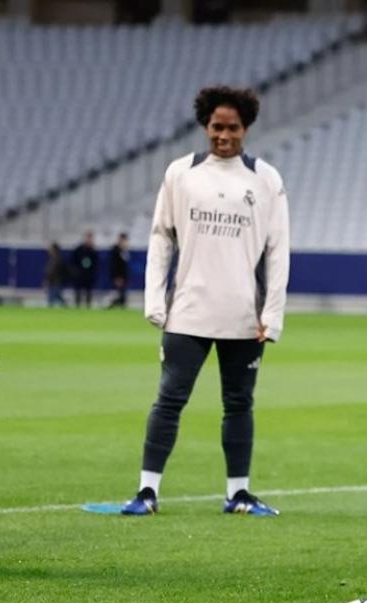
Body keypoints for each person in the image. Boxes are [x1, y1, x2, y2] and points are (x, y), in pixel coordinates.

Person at [121, 85, 290, 517]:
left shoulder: (266, 179)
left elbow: (278, 251)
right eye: (217, 127)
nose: (224, 136)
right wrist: (154, 301)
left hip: (242, 316)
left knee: (238, 404)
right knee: (169, 400)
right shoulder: (182, 173)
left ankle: (238, 493)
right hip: (187, 312)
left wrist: (271, 314)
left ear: (246, 128)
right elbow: (161, 238)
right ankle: (146, 492)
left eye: (233, 128)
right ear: (205, 125)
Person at [72, 230, 98, 308]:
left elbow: (96, 264)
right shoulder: (78, 250)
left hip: (89, 276)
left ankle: (88, 307)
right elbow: (73, 262)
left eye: (90, 238)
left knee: (88, 293)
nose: (89, 240)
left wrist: (93, 274)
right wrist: (76, 272)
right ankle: (77, 307)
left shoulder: (93, 251)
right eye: (88, 238)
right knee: (78, 292)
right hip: (79, 275)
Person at [109, 232, 131, 308]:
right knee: (117, 293)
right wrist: (117, 277)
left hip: (124, 275)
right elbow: (114, 264)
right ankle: (113, 306)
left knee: (122, 293)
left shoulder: (125, 251)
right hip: (118, 276)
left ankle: (121, 306)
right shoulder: (115, 250)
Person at [44, 242, 67, 307]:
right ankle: (66, 307)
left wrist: (47, 279)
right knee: (58, 296)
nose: (49, 250)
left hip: (55, 282)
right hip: (56, 281)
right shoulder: (56, 258)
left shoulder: (56, 259)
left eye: (50, 248)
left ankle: (50, 312)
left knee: (51, 298)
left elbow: (52, 271)